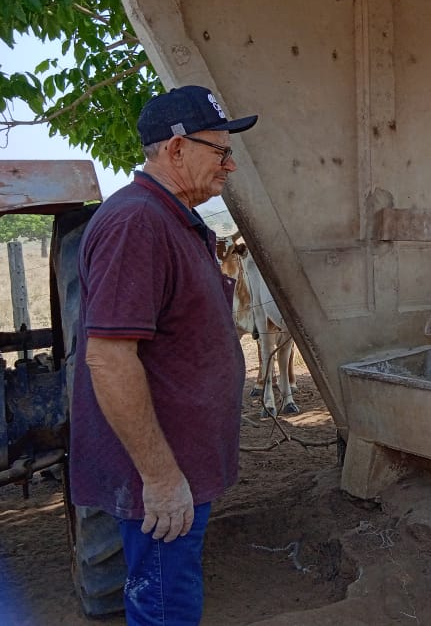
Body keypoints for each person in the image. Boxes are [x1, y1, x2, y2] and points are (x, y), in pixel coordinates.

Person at [69, 85, 257, 624]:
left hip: (178, 468)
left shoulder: (168, 218)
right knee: (166, 609)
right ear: (176, 149)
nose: (231, 165)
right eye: (220, 151)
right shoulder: (138, 223)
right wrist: (160, 477)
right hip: (161, 480)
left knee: (171, 599)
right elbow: (108, 358)